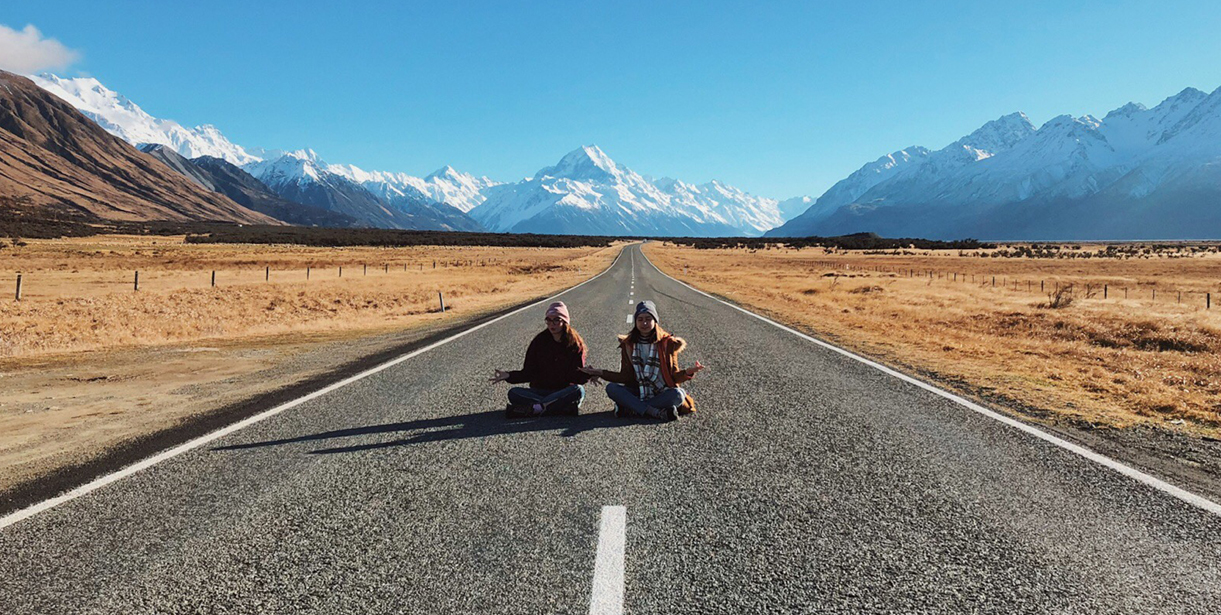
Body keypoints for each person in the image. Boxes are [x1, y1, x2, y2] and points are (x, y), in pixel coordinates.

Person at [580, 300, 705, 421]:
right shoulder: (628, 344)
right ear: (635, 322)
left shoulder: (668, 343)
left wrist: (688, 372)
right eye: (640, 319)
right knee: (612, 388)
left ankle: (631, 408)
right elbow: (625, 377)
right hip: (637, 390)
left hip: (661, 391)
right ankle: (654, 412)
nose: (644, 323)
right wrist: (600, 372)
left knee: (678, 395)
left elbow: (674, 377)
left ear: (655, 321)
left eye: (648, 319)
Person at [490, 301, 593, 417]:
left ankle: (536, 408)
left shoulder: (574, 344)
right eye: (548, 320)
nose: (551, 324)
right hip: (540, 390)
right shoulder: (539, 342)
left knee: (578, 390)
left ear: (564, 322)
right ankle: (559, 409)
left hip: (563, 391)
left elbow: (576, 377)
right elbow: (529, 373)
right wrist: (509, 375)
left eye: (556, 320)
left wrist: (588, 374)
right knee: (513, 393)